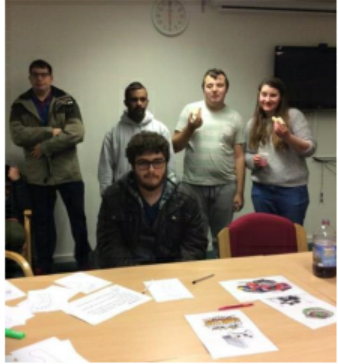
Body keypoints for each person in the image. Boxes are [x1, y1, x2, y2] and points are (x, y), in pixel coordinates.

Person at [9, 59, 92, 274]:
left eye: (44, 74)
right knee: (43, 224)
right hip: (38, 175)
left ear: (51, 77)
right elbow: (18, 135)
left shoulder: (67, 101)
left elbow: (77, 132)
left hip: (68, 172)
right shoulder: (20, 104)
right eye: (35, 74)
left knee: (78, 220)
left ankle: (84, 261)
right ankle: (44, 266)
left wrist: (46, 146)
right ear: (30, 77)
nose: (39, 78)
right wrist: (50, 131)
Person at [97, 131, 208, 268]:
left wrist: (174, 274)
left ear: (166, 163)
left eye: (157, 162)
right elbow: (110, 246)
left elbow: (194, 247)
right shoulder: (114, 197)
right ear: (132, 165)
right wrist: (135, 274)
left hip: (173, 274)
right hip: (129, 273)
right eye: (143, 163)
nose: (151, 170)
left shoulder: (187, 198)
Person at [172, 68, 245, 257]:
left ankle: (223, 278)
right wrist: (190, 126)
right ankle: (195, 279)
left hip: (225, 186)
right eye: (209, 85)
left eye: (219, 85)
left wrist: (239, 191)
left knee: (223, 239)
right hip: (193, 186)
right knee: (194, 237)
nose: (214, 89)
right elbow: (176, 145)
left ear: (226, 89)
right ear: (203, 89)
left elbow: (239, 156)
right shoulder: (191, 111)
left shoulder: (235, 117)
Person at [245, 77, 317, 225]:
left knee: (292, 235)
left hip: (292, 190)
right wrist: (253, 160)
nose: (267, 99)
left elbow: (310, 148)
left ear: (281, 98)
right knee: (267, 237)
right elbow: (246, 154)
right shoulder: (252, 123)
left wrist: (287, 136)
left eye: (273, 95)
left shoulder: (294, 116)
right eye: (264, 94)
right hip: (262, 190)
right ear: (259, 96)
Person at [98, 82, 176, 196]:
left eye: (142, 99)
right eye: (134, 100)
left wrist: (169, 195)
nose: (139, 103)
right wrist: (107, 198)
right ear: (126, 103)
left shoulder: (160, 130)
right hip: (123, 196)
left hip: (154, 196)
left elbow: (170, 167)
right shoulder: (113, 134)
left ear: (147, 102)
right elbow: (105, 171)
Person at [5, 165, 30, 254]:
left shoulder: (11, 175)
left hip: (13, 222)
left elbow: (26, 206)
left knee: (15, 235)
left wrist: (17, 181)